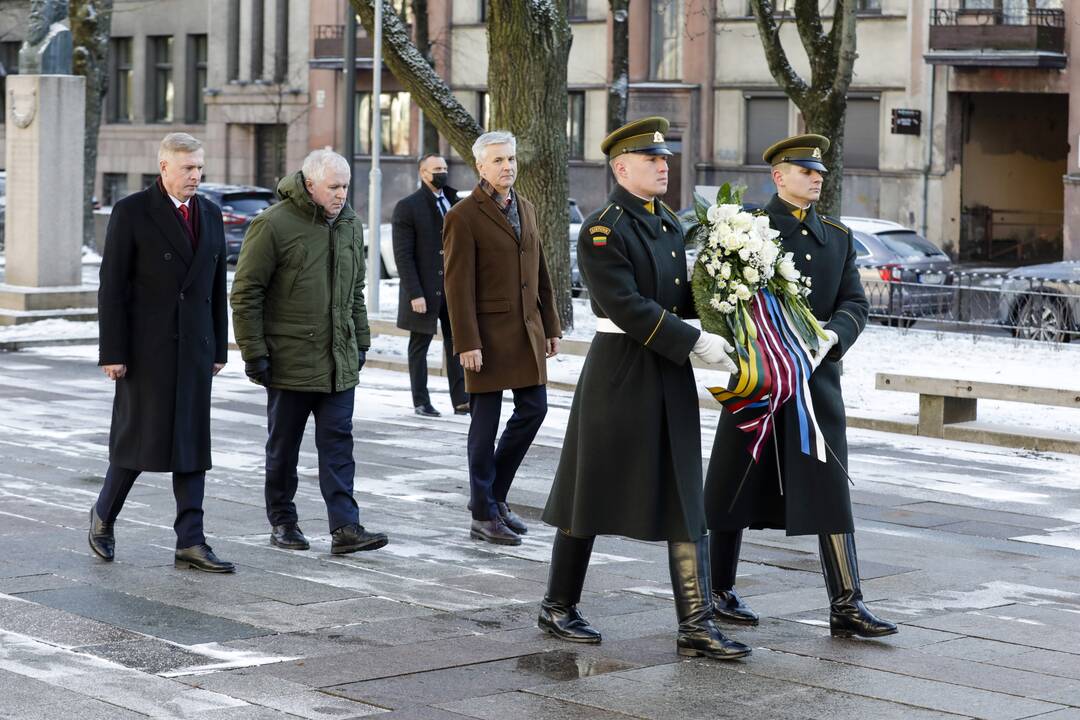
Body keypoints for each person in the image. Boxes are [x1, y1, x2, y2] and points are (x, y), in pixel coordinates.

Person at [539, 117, 750, 661]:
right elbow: (625, 305)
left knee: (685, 493)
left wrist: (727, 323)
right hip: (621, 373)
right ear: (621, 167)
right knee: (591, 492)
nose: (664, 166)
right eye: (653, 159)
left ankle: (696, 624)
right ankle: (558, 605)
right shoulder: (604, 227)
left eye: (666, 159)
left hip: (668, 372)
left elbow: (682, 299)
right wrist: (692, 343)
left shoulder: (667, 225)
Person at [704, 134, 897, 639]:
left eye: (820, 172)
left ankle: (848, 604)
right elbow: (726, 300)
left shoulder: (836, 236)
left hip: (816, 383)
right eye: (805, 170)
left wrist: (831, 337)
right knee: (733, 485)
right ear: (778, 176)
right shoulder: (746, 231)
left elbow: (856, 302)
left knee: (829, 488)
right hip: (760, 381)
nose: (816, 178)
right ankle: (718, 591)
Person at [230, 149, 388, 555]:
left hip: (339, 361)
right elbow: (246, 293)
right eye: (333, 187)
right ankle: (283, 522)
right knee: (284, 447)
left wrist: (362, 342)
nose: (341, 194)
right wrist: (254, 353)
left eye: (345, 187)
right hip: (288, 361)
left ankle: (345, 527)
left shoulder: (350, 225)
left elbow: (354, 292)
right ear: (310, 184)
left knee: (339, 445)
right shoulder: (273, 224)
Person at [91, 132, 234, 573]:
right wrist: (112, 351)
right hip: (145, 350)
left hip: (194, 348)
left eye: (199, 167)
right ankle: (102, 518)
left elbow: (213, 286)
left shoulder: (209, 213)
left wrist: (218, 342)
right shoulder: (132, 211)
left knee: (191, 445)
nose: (196, 175)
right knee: (138, 441)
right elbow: (111, 287)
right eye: (188, 168)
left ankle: (191, 540)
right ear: (164, 168)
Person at [443, 131, 561, 546]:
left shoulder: (526, 207)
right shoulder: (462, 215)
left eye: (510, 158)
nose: (507, 166)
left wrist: (550, 325)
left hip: (526, 331)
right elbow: (457, 286)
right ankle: (482, 512)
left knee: (534, 409)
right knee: (485, 424)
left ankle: (495, 496)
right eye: (497, 161)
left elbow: (540, 270)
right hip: (485, 339)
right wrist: (466, 343)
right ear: (480, 167)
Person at [392, 154, 468, 418]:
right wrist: (415, 293)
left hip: (453, 289)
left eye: (445, 168)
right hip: (424, 290)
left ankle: (461, 400)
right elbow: (403, 255)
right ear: (423, 173)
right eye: (437, 169)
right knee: (419, 346)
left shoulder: (454, 201)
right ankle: (421, 401)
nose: (443, 172)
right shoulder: (408, 207)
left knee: (457, 344)